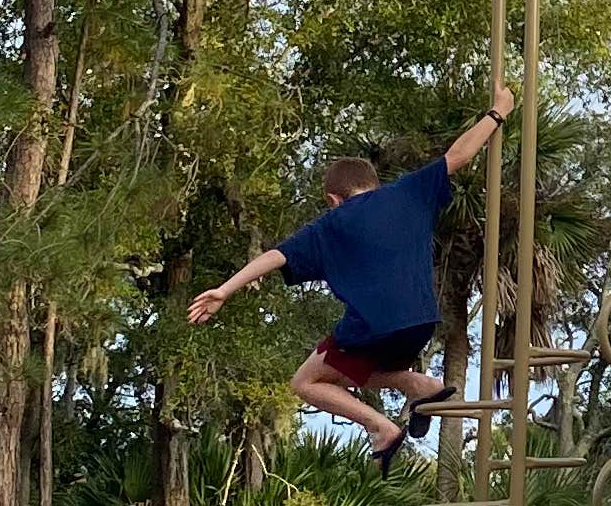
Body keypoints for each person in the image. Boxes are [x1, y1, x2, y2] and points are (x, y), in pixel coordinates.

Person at [188, 93, 517, 460]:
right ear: (373, 182)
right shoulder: (407, 192)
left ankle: (383, 425)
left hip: (374, 327)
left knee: (306, 382)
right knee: (363, 368)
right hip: (420, 323)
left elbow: (274, 256)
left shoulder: (329, 225)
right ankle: (418, 385)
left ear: (333, 199)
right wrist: (498, 112)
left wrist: (224, 290)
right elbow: (460, 155)